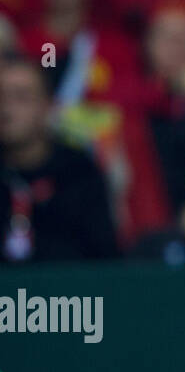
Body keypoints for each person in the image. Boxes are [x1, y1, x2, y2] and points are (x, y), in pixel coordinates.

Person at [0, 56, 118, 261]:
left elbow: (105, 262)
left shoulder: (80, 173)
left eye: (21, 97)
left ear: (48, 106)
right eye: (1, 97)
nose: (6, 110)